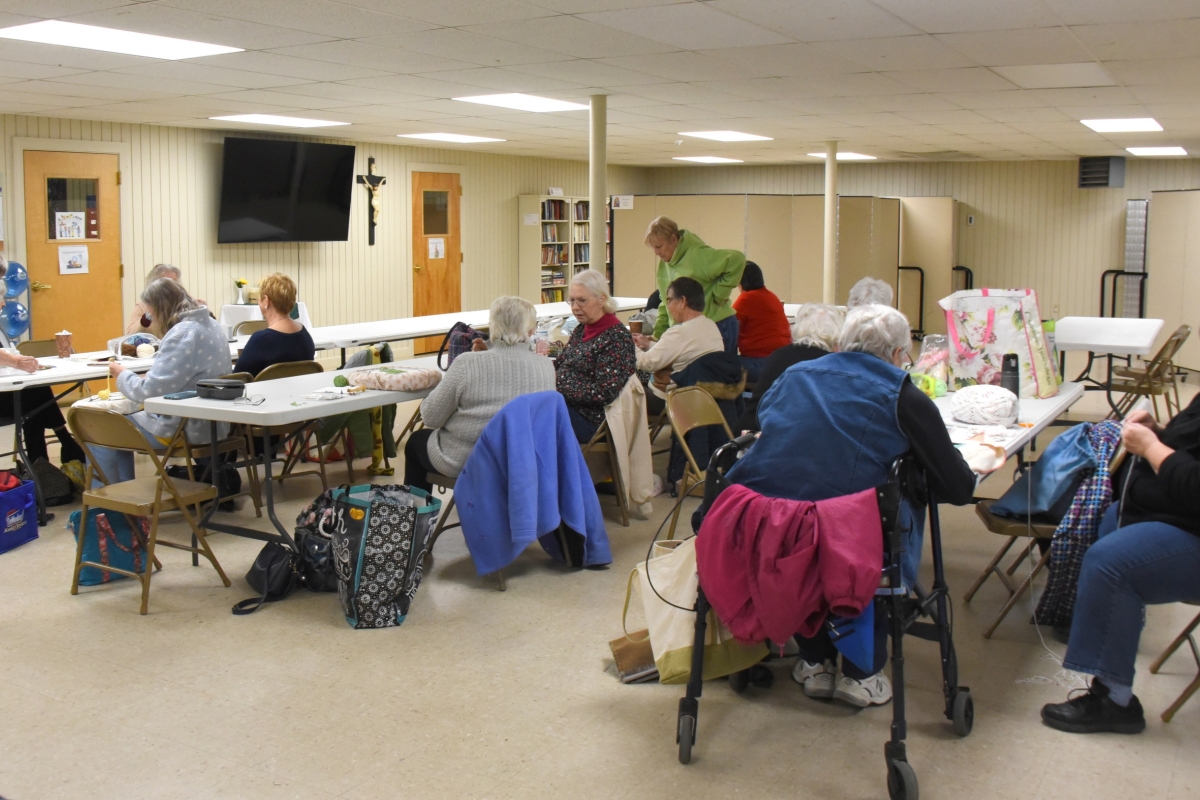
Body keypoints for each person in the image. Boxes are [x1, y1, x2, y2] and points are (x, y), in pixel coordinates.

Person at [725, 304, 975, 707]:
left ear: (840, 345)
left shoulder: (792, 377)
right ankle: (861, 674)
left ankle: (815, 662)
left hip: (779, 527)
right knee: (880, 512)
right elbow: (959, 488)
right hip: (855, 539)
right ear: (898, 356)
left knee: (813, 518)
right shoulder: (902, 395)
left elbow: (770, 433)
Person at [1040, 402, 1200, 735]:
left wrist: (1152, 448)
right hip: (1182, 515)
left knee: (1110, 563)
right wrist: (1158, 432)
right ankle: (1109, 632)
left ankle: (1115, 701)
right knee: (1111, 518)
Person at [404, 296, 555, 493]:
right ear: (531, 330)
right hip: (522, 463)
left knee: (416, 442)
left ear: (492, 326)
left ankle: (416, 518)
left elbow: (430, 417)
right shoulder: (546, 367)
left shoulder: (467, 363)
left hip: (468, 460)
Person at [92, 279, 231, 484]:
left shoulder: (183, 333)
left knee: (99, 428)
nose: (152, 318)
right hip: (215, 423)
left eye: (151, 313)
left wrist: (121, 374)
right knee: (117, 432)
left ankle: (107, 508)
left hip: (184, 428)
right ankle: (124, 501)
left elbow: (148, 391)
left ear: (160, 309)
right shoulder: (211, 324)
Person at [555, 269, 637, 444]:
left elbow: (604, 392)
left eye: (582, 300)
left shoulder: (616, 337)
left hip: (593, 420)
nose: (575, 307)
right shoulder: (581, 329)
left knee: (533, 424)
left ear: (602, 300)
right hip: (568, 408)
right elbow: (561, 364)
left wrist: (559, 386)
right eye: (572, 301)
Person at [644, 216, 745, 355]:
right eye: (653, 248)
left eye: (659, 247)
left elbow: (737, 259)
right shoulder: (665, 264)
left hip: (718, 324)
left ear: (673, 239)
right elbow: (665, 302)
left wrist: (719, 295)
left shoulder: (697, 255)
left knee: (718, 374)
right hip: (693, 330)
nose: (656, 253)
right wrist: (657, 335)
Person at [736, 303, 841, 431]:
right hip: (780, 437)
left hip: (748, 434)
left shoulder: (778, 355)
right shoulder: (830, 364)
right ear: (835, 336)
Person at [633, 277, 723, 396]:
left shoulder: (679, 332)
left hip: (671, 399)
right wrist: (648, 344)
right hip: (701, 398)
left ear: (682, 301)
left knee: (623, 392)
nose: (668, 307)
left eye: (669, 300)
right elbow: (681, 351)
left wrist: (629, 345)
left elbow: (646, 363)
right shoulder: (711, 326)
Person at [233, 273, 314, 377]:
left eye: (259, 298)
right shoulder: (304, 335)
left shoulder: (261, 340)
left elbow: (238, 380)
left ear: (266, 301)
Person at [732, 261, 792, 383]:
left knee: (717, 367)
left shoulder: (746, 299)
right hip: (783, 361)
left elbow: (730, 329)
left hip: (760, 363)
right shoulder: (772, 296)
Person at [125, 264, 210, 334]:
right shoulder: (143, 306)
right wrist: (148, 316)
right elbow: (130, 334)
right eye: (165, 282)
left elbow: (203, 329)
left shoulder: (185, 302)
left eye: (174, 282)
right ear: (153, 285)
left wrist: (203, 310)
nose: (170, 287)